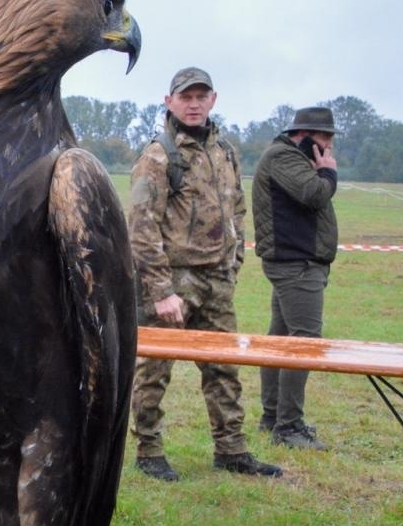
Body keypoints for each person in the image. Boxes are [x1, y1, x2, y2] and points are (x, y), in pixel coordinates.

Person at [126, 66, 281, 481]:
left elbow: (236, 210)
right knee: (154, 371)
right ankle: (149, 451)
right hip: (171, 285)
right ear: (169, 101)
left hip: (216, 281)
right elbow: (140, 227)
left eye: (201, 96)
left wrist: (233, 265)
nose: (193, 104)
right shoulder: (157, 157)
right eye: (185, 97)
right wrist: (160, 290)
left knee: (224, 368)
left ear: (213, 100)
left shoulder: (224, 152)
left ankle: (231, 450)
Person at [253, 107, 340, 449]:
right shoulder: (283, 157)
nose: (329, 147)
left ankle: (273, 416)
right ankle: (288, 427)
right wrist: (329, 174)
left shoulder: (292, 158)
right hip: (296, 265)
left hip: (297, 262)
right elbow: (314, 194)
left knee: (280, 340)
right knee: (304, 342)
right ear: (303, 136)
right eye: (324, 139)